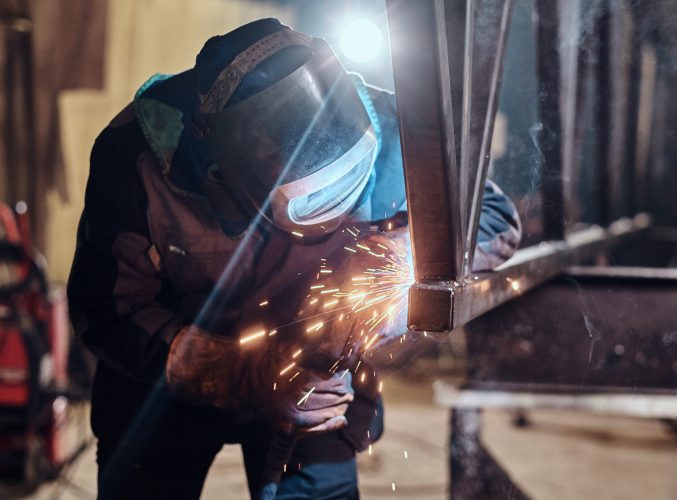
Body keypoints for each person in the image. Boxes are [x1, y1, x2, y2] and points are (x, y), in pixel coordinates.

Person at [68, 18, 521, 500]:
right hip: (164, 383)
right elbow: (107, 311)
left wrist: (403, 254)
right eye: (314, 205)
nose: (335, 212)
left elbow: (491, 217)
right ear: (225, 175)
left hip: (317, 380)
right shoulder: (137, 157)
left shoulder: (393, 133)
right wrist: (249, 377)